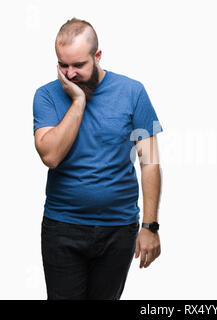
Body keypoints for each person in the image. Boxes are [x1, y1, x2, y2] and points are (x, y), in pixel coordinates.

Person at [32, 18, 163, 300]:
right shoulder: (46, 96)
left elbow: (150, 161)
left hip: (119, 229)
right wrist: (78, 101)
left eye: (78, 65)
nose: (70, 73)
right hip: (62, 228)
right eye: (63, 65)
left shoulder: (134, 92)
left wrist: (150, 226)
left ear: (98, 56)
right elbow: (51, 156)